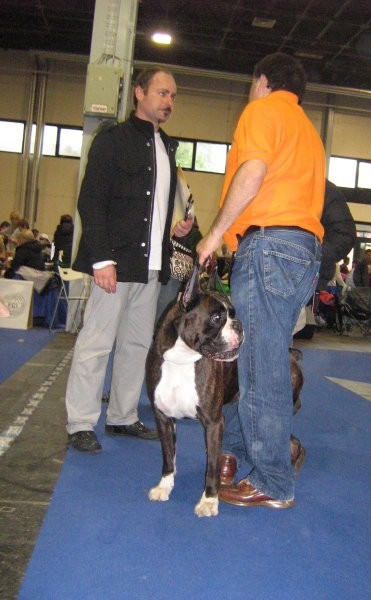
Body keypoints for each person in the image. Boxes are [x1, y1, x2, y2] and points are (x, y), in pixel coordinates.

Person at [197, 52, 325, 509]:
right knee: (252, 355)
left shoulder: (262, 111)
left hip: (270, 245)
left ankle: (272, 477)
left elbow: (251, 174)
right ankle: (235, 450)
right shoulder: (308, 130)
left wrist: (212, 235)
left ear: (262, 81)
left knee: (258, 367)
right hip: (301, 251)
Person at [65, 66, 192, 453]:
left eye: (172, 95)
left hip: (151, 266)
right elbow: (92, 200)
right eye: (161, 93)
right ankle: (80, 422)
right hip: (114, 265)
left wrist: (175, 230)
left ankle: (122, 415)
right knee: (96, 343)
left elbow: (154, 209)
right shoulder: (112, 140)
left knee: (138, 346)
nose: (168, 101)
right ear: (139, 93)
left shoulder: (168, 148)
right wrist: (101, 259)